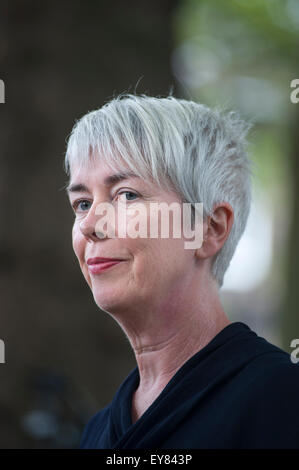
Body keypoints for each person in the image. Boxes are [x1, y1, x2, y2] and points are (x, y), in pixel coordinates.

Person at [64, 93, 299, 449]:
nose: (90, 225)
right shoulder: (97, 433)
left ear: (210, 229)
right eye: (82, 203)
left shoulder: (281, 400)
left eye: (126, 195)